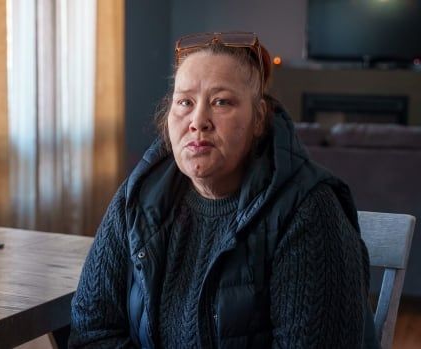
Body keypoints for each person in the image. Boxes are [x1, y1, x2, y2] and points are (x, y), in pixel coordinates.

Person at [69, 32, 377, 348]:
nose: (198, 120)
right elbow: (92, 329)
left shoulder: (310, 211)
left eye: (221, 102)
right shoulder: (138, 196)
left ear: (259, 119)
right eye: (185, 102)